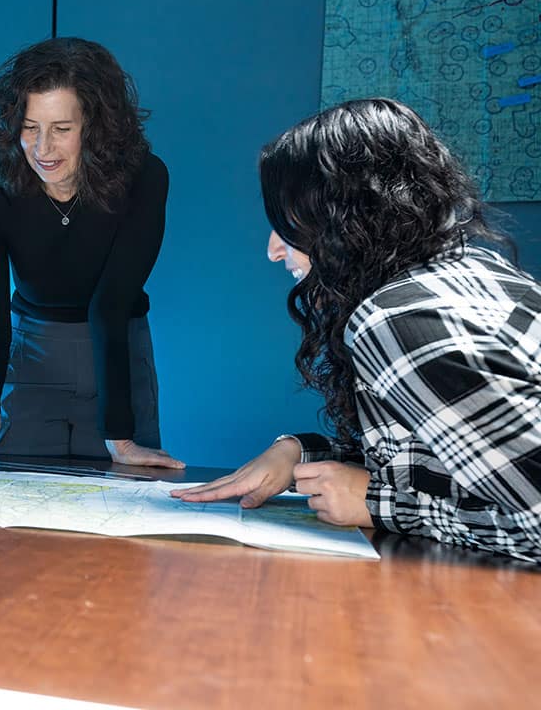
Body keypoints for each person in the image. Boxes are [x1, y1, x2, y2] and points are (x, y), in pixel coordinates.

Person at [172, 98, 541, 563]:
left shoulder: (397, 320)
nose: (273, 249)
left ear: (343, 220)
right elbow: (444, 451)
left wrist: (378, 505)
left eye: (289, 224)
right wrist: (303, 452)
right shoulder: (471, 269)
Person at [0, 37, 182, 467]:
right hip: (32, 355)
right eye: (30, 127)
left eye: (62, 129)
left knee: (122, 503)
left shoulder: (146, 178)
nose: (42, 149)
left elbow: (110, 304)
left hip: (117, 351)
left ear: (95, 126)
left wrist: (120, 435)